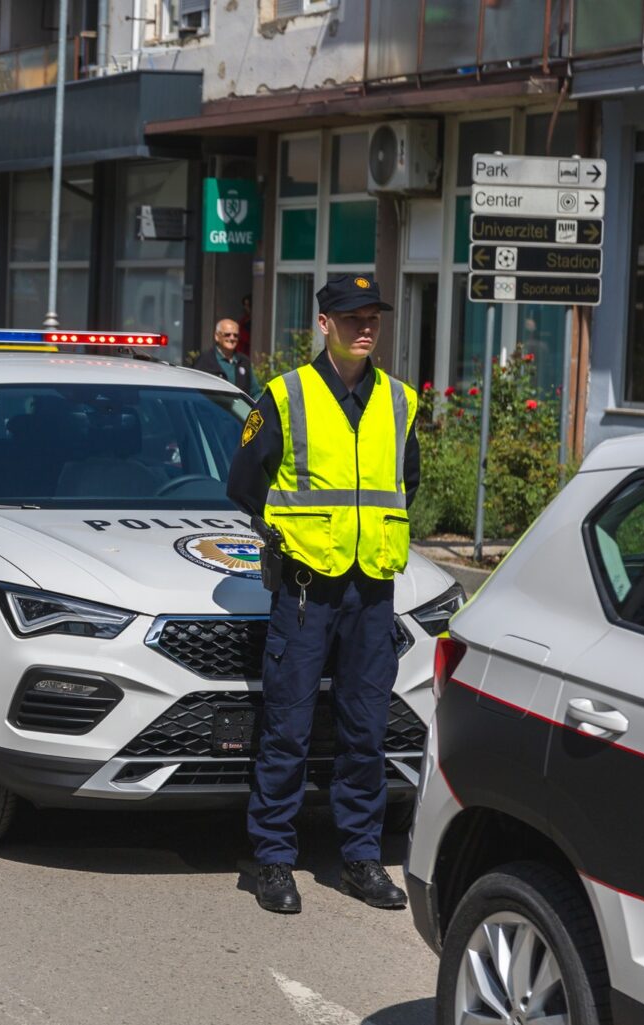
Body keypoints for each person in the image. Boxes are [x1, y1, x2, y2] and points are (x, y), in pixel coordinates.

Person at [226, 273, 420, 916]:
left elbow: (405, 481)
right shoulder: (285, 396)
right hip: (308, 589)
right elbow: (246, 483)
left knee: (366, 731)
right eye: (352, 316)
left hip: (372, 591)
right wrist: (289, 536)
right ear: (325, 323)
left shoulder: (399, 400)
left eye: (373, 316)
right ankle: (272, 861)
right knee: (288, 728)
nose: (365, 326)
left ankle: (361, 859)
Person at [194, 318, 258, 398]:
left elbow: (255, 392)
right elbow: (196, 392)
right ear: (217, 336)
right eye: (227, 334)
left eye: (236, 335)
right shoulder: (204, 361)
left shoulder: (244, 361)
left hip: (240, 410)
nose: (232, 338)